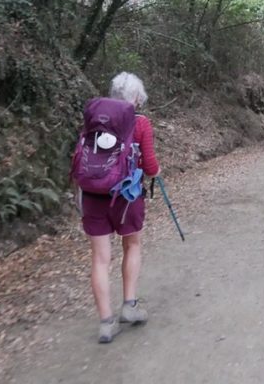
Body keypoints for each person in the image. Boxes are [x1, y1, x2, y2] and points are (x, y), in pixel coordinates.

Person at [80, 72, 160, 344]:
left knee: (100, 258)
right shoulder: (140, 123)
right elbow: (149, 166)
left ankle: (105, 323)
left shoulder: (93, 122)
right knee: (132, 246)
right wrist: (156, 171)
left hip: (92, 195)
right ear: (136, 98)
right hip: (126, 197)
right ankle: (129, 306)